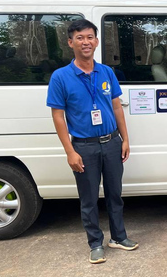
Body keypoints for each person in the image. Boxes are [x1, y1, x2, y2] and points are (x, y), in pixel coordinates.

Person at [46, 19, 138, 264]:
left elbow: (117, 106)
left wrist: (125, 139)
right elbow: (58, 116)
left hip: (111, 142)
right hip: (83, 146)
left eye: (89, 37)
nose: (85, 42)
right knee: (88, 199)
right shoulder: (61, 77)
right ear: (70, 42)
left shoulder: (107, 72)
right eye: (79, 38)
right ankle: (95, 243)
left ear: (96, 41)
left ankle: (118, 237)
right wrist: (69, 151)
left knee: (115, 194)